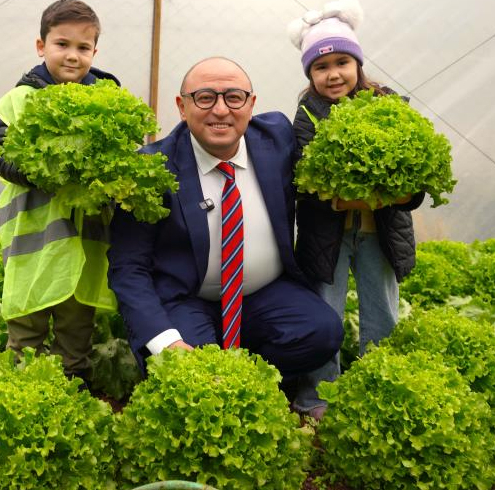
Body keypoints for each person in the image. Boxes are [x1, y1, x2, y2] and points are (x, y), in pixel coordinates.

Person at [107, 56, 343, 391]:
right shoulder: (151, 170)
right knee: (190, 375)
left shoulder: (278, 140)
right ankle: (220, 381)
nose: (221, 110)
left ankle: (250, 384)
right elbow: (128, 268)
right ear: (181, 106)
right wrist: (165, 342)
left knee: (322, 331)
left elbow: (331, 113)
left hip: (264, 295)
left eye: (234, 97)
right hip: (185, 299)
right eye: (205, 97)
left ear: (251, 104)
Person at [286, 0, 425, 418]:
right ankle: (317, 397)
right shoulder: (308, 113)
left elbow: (413, 185)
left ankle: (377, 390)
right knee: (325, 314)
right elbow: (308, 183)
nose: (333, 74)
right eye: (321, 67)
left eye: (342, 63)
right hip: (326, 236)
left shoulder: (390, 105)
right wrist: (376, 190)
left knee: (381, 311)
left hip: (379, 233)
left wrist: (365, 192)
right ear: (310, 73)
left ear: (358, 65)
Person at [0, 0, 120, 383]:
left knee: (76, 327)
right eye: (62, 44)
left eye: (83, 47)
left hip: (85, 240)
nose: (72, 56)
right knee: (26, 325)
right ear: (40, 45)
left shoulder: (108, 99)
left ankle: (70, 389)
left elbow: (125, 159)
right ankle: (20, 393)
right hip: (33, 243)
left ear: (95, 51)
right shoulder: (20, 100)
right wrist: (53, 175)